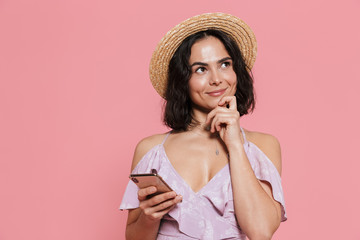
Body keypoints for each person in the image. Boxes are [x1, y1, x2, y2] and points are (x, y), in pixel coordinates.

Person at [120, 12, 287, 240]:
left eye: (225, 64)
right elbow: (133, 237)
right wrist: (149, 218)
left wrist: (235, 145)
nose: (217, 79)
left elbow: (261, 232)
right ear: (182, 80)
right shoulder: (151, 151)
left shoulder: (263, 146)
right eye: (201, 69)